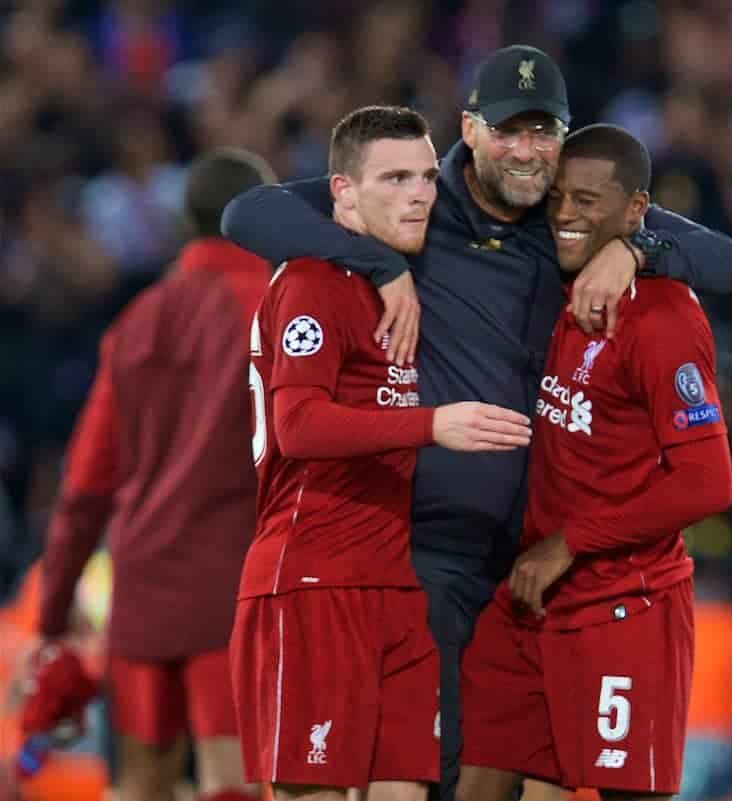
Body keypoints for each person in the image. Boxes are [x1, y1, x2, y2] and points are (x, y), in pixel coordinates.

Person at [221, 45, 732, 800]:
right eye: (509, 130)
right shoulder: (417, 204)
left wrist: (636, 250)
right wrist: (379, 264)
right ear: (469, 130)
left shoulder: (570, 215)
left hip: (534, 561)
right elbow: (247, 210)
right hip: (427, 552)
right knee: (432, 778)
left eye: (544, 133)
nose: (527, 150)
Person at [228, 105, 532, 801]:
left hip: (393, 582)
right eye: (394, 178)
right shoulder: (310, 283)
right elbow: (298, 426)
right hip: (313, 579)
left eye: (427, 176)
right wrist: (434, 425)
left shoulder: (388, 285)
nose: (420, 194)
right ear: (341, 191)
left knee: (408, 788)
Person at [450, 123, 732, 801]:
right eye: (558, 199)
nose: (566, 215)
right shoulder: (551, 284)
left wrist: (569, 543)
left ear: (636, 209)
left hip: (622, 607)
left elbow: (708, 479)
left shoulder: (662, 319)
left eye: (587, 200)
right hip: (528, 604)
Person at [35, 148, 276, 801]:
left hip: (142, 592)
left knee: (142, 786)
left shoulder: (137, 319)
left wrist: (54, 610)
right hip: (235, 589)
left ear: (186, 224)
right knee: (236, 785)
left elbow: (85, 485)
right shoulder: (278, 310)